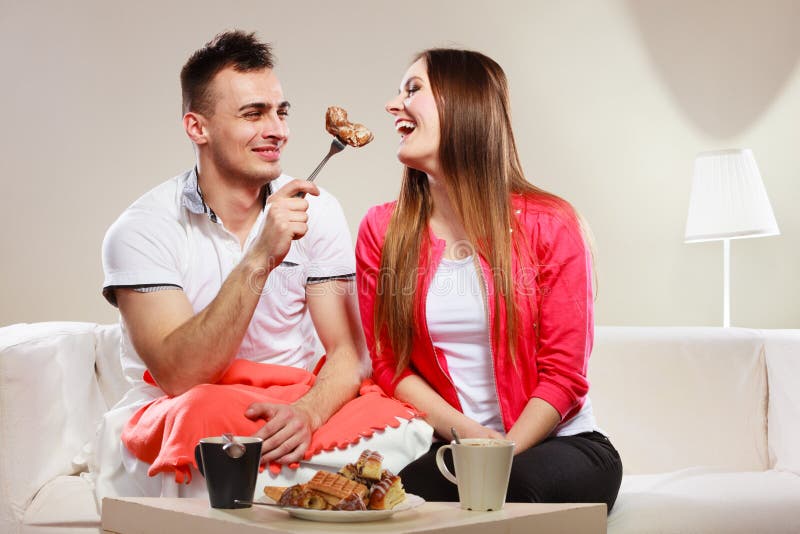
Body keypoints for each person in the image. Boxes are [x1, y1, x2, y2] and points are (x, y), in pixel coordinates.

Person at [93, 30, 431, 502]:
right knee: (202, 418)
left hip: (295, 401)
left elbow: (348, 353)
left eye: (281, 111)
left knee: (402, 424)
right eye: (253, 114)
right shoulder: (141, 231)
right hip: (191, 406)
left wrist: (310, 413)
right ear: (198, 128)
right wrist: (261, 257)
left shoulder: (319, 209)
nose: (278, 130)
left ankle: (300, 472)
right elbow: (181, 375)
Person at [356, 48, 622, 510]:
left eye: (413, 89)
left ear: (464, 104)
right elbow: (390, 366)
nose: (393, 105)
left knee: (510, 490)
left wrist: (500, 455)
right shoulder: (382, 230)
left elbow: (564, 375)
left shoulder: (551, 223)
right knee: (378, 494)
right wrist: (475, 442)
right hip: (458, 447)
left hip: (560, 445)